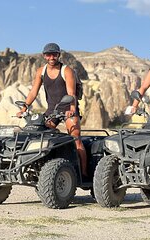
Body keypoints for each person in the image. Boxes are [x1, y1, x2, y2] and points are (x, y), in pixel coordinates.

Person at [17, 43, 88, 176]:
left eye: (54, 54)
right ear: (44, 56)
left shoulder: (66, 70)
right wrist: (24, 107)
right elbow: (33, 92)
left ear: (58, 55)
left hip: (68, 108)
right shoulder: (41, 71)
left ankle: (84, 174)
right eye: (48, 54)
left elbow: (71, 93)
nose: (51, 57)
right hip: (51, 110)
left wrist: (72, 108)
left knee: (76, 139)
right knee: (40, 136)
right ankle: (45, 170)